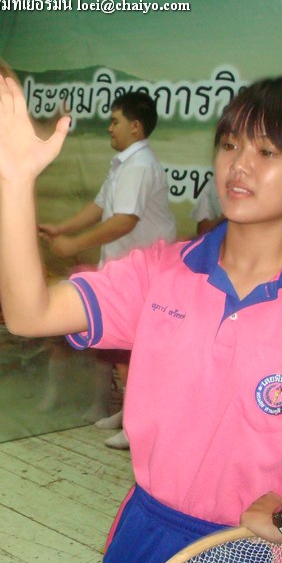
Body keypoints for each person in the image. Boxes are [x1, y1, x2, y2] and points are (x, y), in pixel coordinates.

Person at [0, 68, 282, 563]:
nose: (239, 165)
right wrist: (16, 180)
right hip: (146, 535)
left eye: (267, 152)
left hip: (254, 556)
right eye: (230, 145)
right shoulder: (161, 272)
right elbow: (31, 313)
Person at [38, 91, 176, 449]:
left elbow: (124, 220)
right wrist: (62, 229)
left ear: (136, 126)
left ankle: (136, 424)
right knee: (121, 349)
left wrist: (74, 244)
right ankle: (129, 413)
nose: (109, 128)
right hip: (123, 271)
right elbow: (100, 207)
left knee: (136, 351)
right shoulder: (124, 164)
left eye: (115, 121)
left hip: (143, 274)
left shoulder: (140, 164)